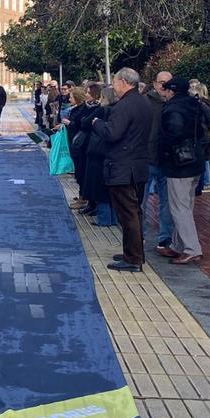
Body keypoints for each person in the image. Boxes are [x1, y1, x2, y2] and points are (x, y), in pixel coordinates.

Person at [91, 68, 153, 272]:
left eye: (115, 82)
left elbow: (112, 133)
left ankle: (133, 258)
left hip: (123, 166)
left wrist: (97, 123)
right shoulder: (143, 102)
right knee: (134, 211)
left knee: (128, 214)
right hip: (137, 164)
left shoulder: (124, 105)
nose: (113, 86)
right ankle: (133, 251)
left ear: (125, 82)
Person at [155, 76, 208, 265]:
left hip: (178, 163)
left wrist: (164, 148)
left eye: (166, 90)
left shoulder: (173, 108)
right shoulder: (197, 104)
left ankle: (191, 248)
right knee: (186, 205)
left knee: (178, 208)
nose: (164, 93)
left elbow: (173, 133)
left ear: (171, 91)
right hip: (196, 160)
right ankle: (179, 245)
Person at [142, 71, 174, 250]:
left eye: (168, 83)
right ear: (154, 84)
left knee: (166, 202)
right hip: (147, 158)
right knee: (141, 199)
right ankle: (140, 236)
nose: (164, 86)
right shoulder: (145, 102)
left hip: (167, 160)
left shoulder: (175, 102)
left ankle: (165, 238)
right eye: (161, 83)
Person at [79, 84, 117, 226]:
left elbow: (85, 122)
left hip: (98, 152)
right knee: (109, 190)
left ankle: (104, 219)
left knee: (99, 188)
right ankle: (113, 219)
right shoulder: (118, 110)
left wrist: (96, 122)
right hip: (111, 153)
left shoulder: (102, 111)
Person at [64, 87, 94, 210]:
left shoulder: (84, 110)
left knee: (81, 171)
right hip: (75, 143)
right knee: (79, 171)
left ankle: (83, 197)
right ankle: (82, 195)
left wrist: (69, 123)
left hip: (81, 145)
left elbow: (80, 125)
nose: (69, 99)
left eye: (71, 97)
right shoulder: (75, 109)